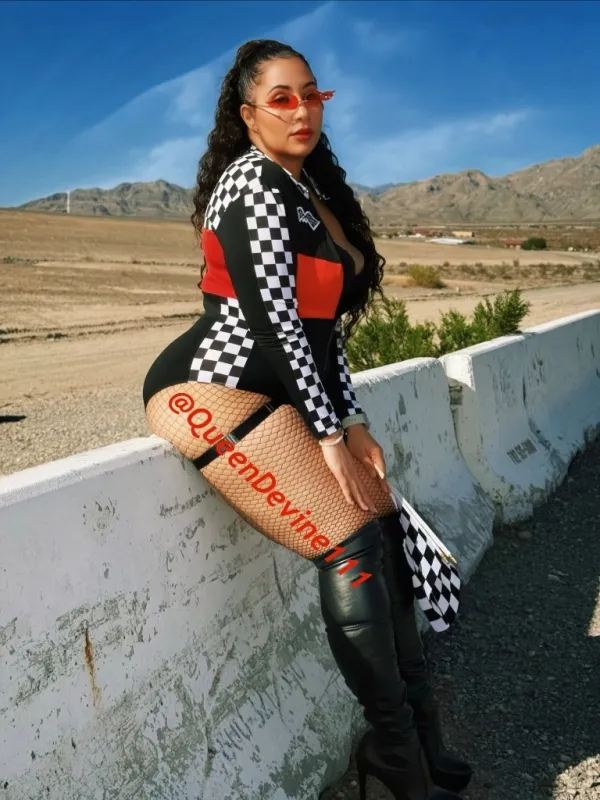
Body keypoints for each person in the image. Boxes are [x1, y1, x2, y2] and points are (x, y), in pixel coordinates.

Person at [143, 39, 472, 800]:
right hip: (211, 391)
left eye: (313, 95)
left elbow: (322, 335)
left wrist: (350, 422)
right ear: (247, 114)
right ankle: (393, 755)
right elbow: (276, 326)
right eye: (282, 98)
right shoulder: (252, 182)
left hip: (286, 395)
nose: (302, 110)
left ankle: (422, 738)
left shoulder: (305, 191)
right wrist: (326, 435)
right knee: (350, 541)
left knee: (384, 529)